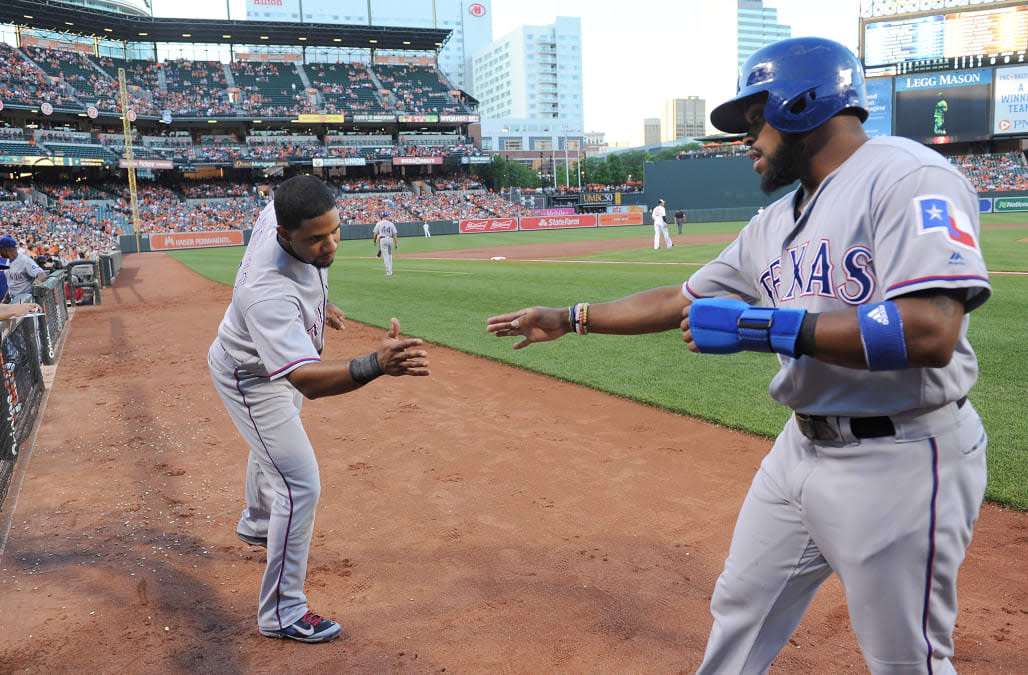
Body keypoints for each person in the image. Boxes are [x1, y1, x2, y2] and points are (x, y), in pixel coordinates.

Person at [486, 37, 989, 674]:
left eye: (756, 122)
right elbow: (680, 298)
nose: (747, 142)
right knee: (741, 606)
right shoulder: (775, 222)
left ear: (804, 105)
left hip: (900, 455)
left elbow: (929, 330)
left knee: (903, 659)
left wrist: (769, 328)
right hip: (799, 448)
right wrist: (570, 318)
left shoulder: (906, 175)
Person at [207, 176, 430, 643]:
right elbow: (306, 381)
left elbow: (297, 210)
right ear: (284, 235)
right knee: (300, 482)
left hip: (277, 352)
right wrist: (376, 364)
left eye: (335, 231)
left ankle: (257, 523)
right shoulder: (268, 292)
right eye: (315, 238)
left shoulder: (282, 213)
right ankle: (282, 612)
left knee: (272, 444)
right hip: (251, 377)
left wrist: (318, 306)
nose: (330, 245)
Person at [0, 235, 47, 300]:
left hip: (26, 301)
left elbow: (42, 274)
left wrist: (36, 281)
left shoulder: (25, 261)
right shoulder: (7, 261)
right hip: (14, 300)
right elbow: (12, 283)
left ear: (6, 249)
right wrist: (6, 299)